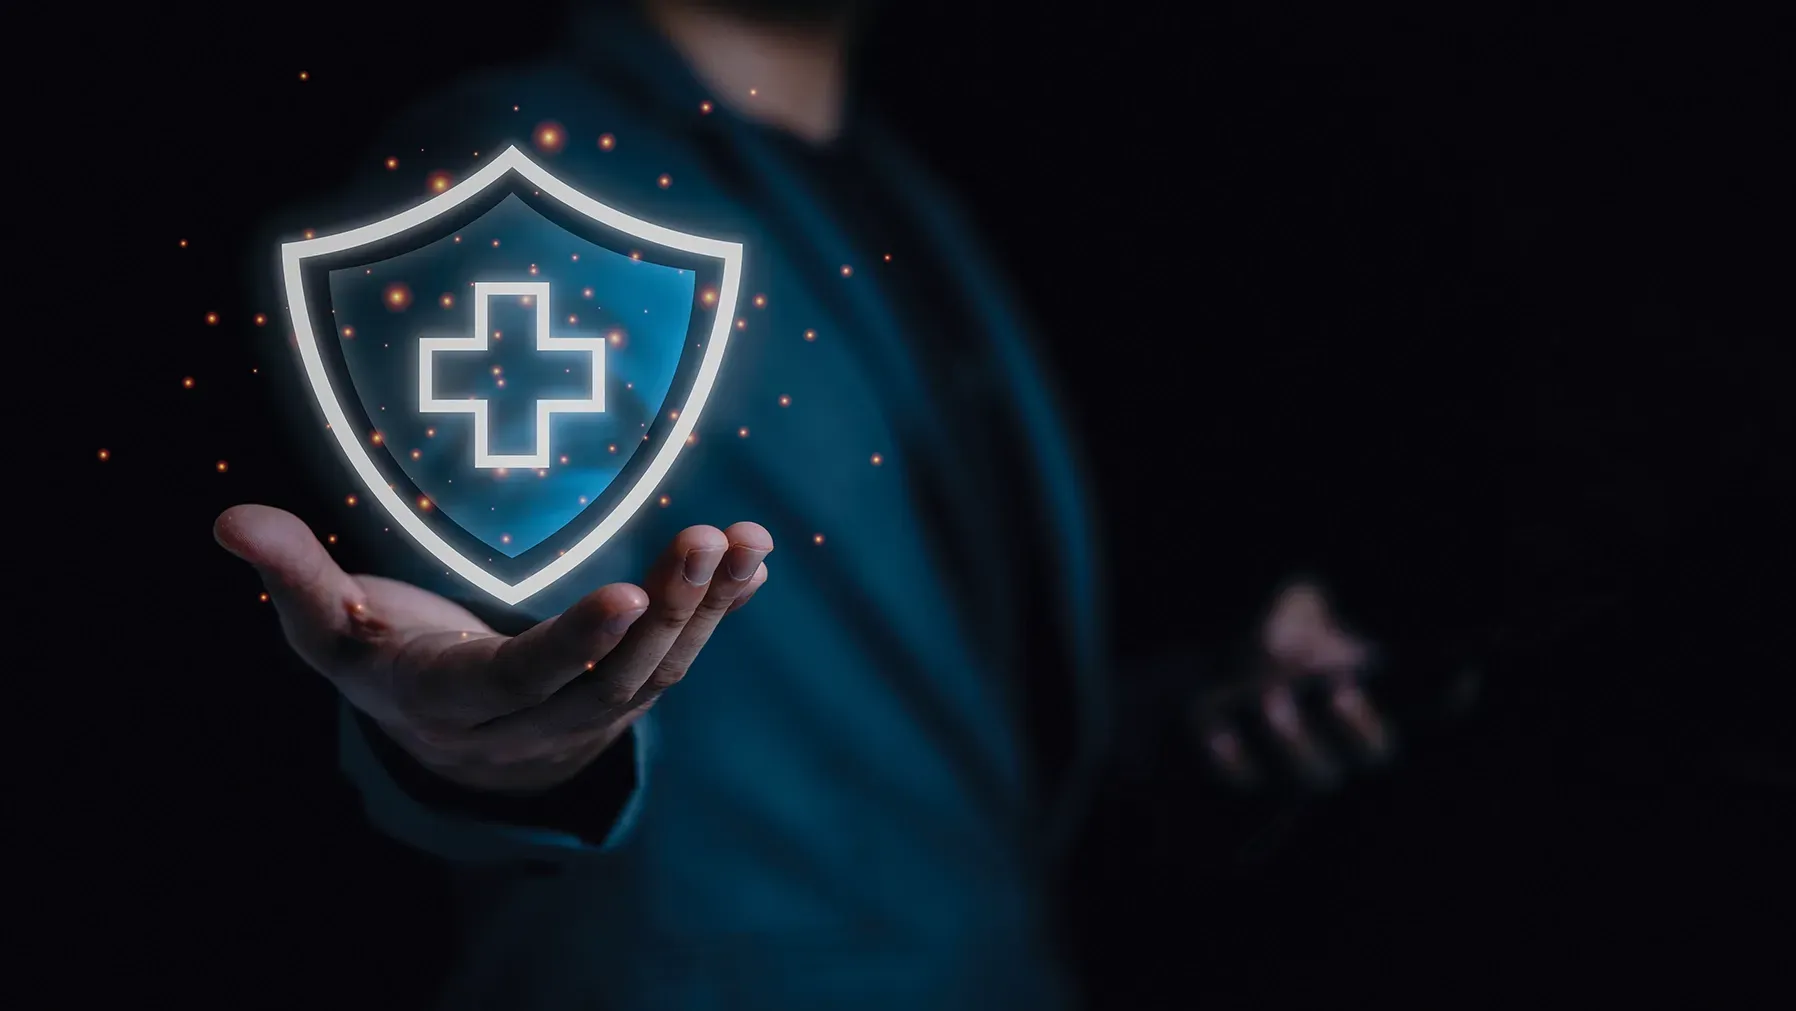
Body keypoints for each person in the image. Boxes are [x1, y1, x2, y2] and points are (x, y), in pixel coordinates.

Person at [216, 0, 1419, 1005]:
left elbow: (905, 708)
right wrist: (503, 754)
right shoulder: (516, 166)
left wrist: (1191, 726)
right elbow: (514, 653)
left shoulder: (912, 198)